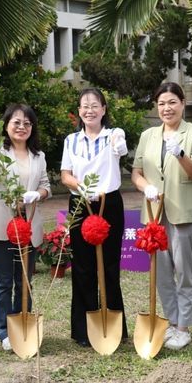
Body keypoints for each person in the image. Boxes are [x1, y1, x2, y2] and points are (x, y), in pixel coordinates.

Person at [131, 82, 192, 350]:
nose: (167, 108)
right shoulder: (149, 135)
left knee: (185, 272)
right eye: (162, 103)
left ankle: (184, 327)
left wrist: (180, 154)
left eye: (172, 102)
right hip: (155, 213)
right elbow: (137, 173)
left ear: (182, 104)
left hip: (184, 212)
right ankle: (172, 321)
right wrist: (146, 187)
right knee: (161, 272)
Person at [0, 104, 51, 351]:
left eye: (27, 123)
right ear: (6, 125)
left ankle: (22, 322)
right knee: (4, 280)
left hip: (28, 224)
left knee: (25, 279)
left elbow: (46, 186)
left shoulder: (38, 157)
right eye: (16, 123)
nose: (21, 127)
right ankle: (3, 330)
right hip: (1, 223)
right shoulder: (0, 150)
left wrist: (36, 195)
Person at [61, 87, 129, 347]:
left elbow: (121, 150)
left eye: (94, 105)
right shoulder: (71, 140)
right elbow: (65, 174)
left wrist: (120, 145)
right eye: (84, 106)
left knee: (110, 266)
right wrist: (81, 188)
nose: (89, 110)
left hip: (108, 203)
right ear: (79, 111)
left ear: (103, 110)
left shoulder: (114, 135)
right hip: (80, 201)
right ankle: (83, 330)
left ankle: (115, 326)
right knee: (83, 265)